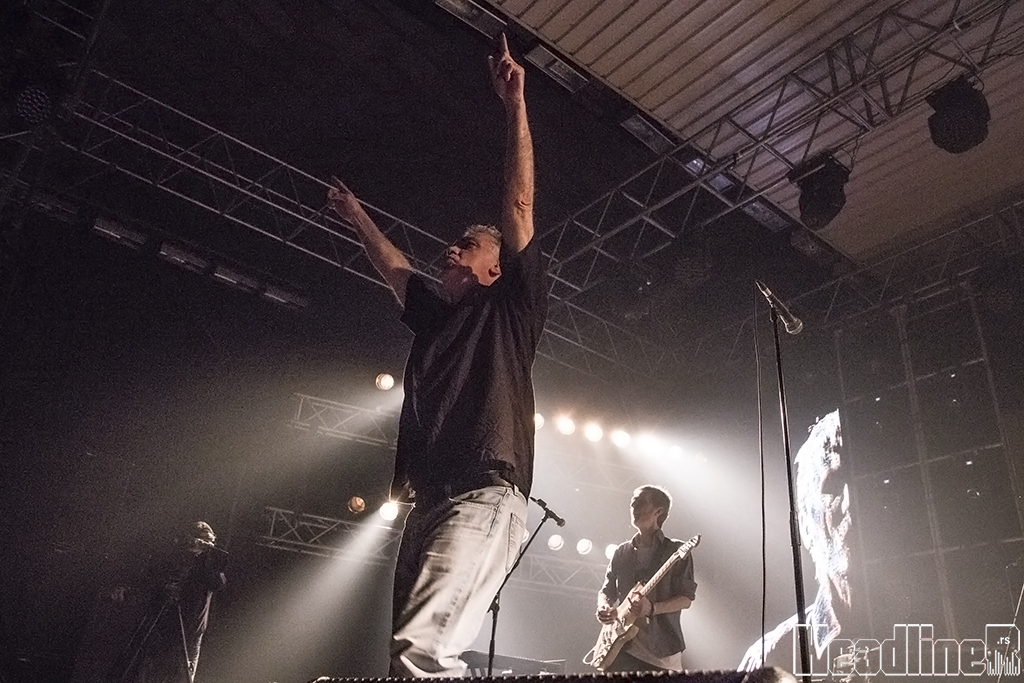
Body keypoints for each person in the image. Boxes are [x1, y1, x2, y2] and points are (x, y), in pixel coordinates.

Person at [326, 33, 546, 678]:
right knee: (407, 660)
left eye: (466, 246)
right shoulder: (434, 316)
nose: (450, 249)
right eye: (452, 244)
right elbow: (395, 268)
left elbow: (519, 204)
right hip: (429, 500)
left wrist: (514, 105)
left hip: (484, 494)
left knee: (421, 654)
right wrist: (355, 215)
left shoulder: (509, 309)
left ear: (495, 268)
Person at [739, 409, 851, 670]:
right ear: (807, 526)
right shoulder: (771, 658)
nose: (849, 503)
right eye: (834, 487)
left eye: (858, 485)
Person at [595, 485, 698, 672]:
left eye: (640, 502)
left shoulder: (675, 550)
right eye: (632, 502)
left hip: (660, 654)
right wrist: (604, 606)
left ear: (659, 512)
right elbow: (607, 591)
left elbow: (686, 599)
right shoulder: (622, 552)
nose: (633, 506)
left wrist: (652, 608)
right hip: (620, 649)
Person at [109, 521, 227, 683]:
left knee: (182, 676)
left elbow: (217, 583)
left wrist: (206, 556)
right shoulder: (177, 557)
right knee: (151, 673)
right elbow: (155, 579)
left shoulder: (208, 564)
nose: (206, 545)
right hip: (165, 628)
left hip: (191, 630)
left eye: (209, 541)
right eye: (202, 540)